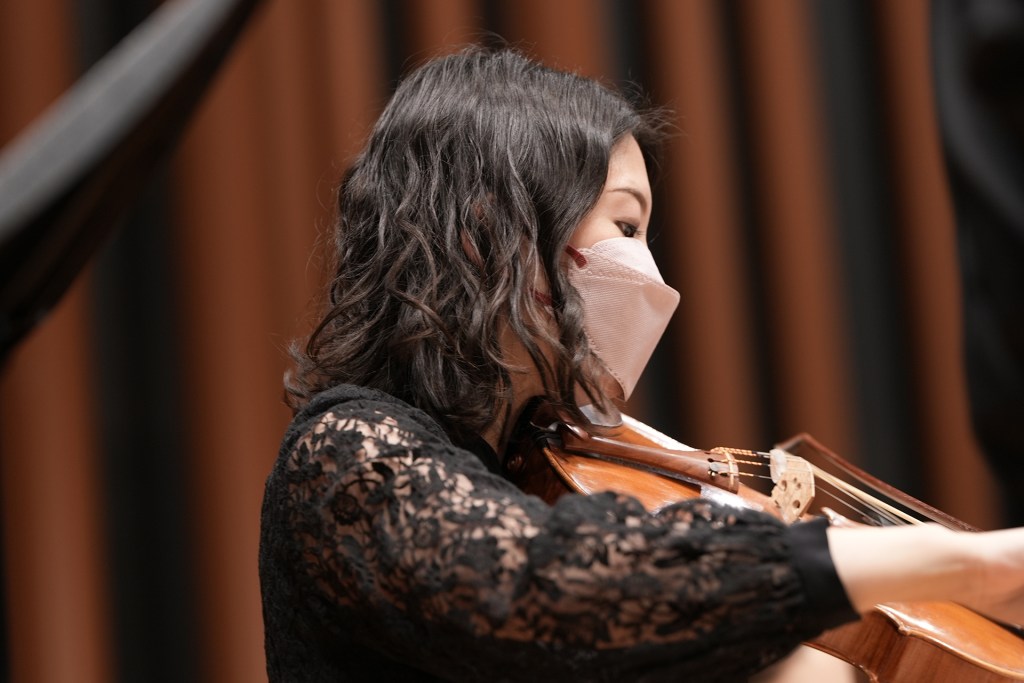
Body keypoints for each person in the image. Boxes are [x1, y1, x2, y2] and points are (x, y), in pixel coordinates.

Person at [259, 48, 1024, 682]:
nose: (651, 274)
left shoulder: (532, 469)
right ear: (488, 232)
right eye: (626, 226)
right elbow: (547, 586)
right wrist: (966, 562)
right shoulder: (344, 457)